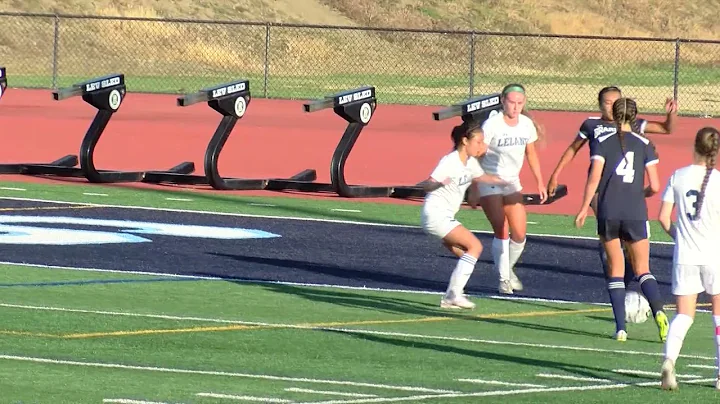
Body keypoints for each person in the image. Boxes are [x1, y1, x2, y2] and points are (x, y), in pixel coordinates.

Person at [548, 87, 678, 285]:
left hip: (626, 190)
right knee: (610, 229)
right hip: (600, 188)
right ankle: (611, 262)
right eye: (608, 102)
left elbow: (666, 129)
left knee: (628, 240)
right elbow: (572, 149)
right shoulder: (592, 125)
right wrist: (555, 175)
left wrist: (671, 114)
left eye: (616, 102)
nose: (612, 106)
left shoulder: (631, 123)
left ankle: (625, 273)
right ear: (600, 104)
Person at [574, 97, 669, 342]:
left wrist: (584, 207)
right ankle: (659, 310)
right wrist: (641, 193)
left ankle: (620, 329)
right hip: (635, 211)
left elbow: (594, 178)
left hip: (609, 211)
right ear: (635, 117)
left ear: (614, 117)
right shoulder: (645, 143)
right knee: (642, 269)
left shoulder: (602, 142)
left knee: (615, 271)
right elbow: (656, 186)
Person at [658, 126, 720, 391]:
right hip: (714, 256)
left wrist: (679, 236)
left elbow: (663, 218)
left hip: (685, 256)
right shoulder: (718, 181)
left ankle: (669, 361)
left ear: (694, 146)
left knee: (684, 315)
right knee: (718, 316)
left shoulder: (678, 176)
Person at [421, 121, 508, 309]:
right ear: (465, 141)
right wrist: (435, 184)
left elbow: (482, 177)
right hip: (436, 214)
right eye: (478, 142)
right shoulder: (450, 161)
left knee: (466, 255)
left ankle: (450, 296)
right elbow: (429, 183)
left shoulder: (470, 163)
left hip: (442, 216)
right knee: (475, 246)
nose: (482, 146)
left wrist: (506, 182)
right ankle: (454, 294)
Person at [476, 83, 547, 295]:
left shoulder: (526, 124)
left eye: (519, 103)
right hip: (489, 180)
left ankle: (506, 268)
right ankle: (504, 279)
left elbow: (531, 154)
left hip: (511, 182)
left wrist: (540, 182)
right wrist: (473, 183)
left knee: (519, 234)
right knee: (502, 229)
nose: (515, 107)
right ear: (503, 101)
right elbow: (477, 152)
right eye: (511, 102)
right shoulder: (492, 124)